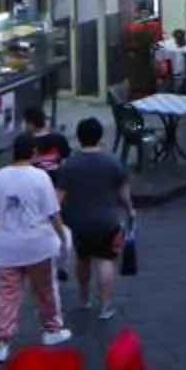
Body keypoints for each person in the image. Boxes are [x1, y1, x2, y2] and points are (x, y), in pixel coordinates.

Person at [0, 137, 71, 361]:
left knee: (7, 295)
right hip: (38, 245)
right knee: (45, 290)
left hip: (9, 246)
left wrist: (0, 230)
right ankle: (51, 330)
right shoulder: (40, 177)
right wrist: (62, 237)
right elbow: (52, 213)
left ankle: (1, 342)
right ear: (33, 153)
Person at [55, 117, 135, 321]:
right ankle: (105, 306)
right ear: (100, 136)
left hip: (78, 222)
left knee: (83, 260)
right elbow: (123, 192)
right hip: (108, 221)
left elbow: (59, 198)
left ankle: (84, 297)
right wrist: (130, 210)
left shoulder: (70, 165)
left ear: (79, 138)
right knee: (105, 260)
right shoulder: (112, 161)